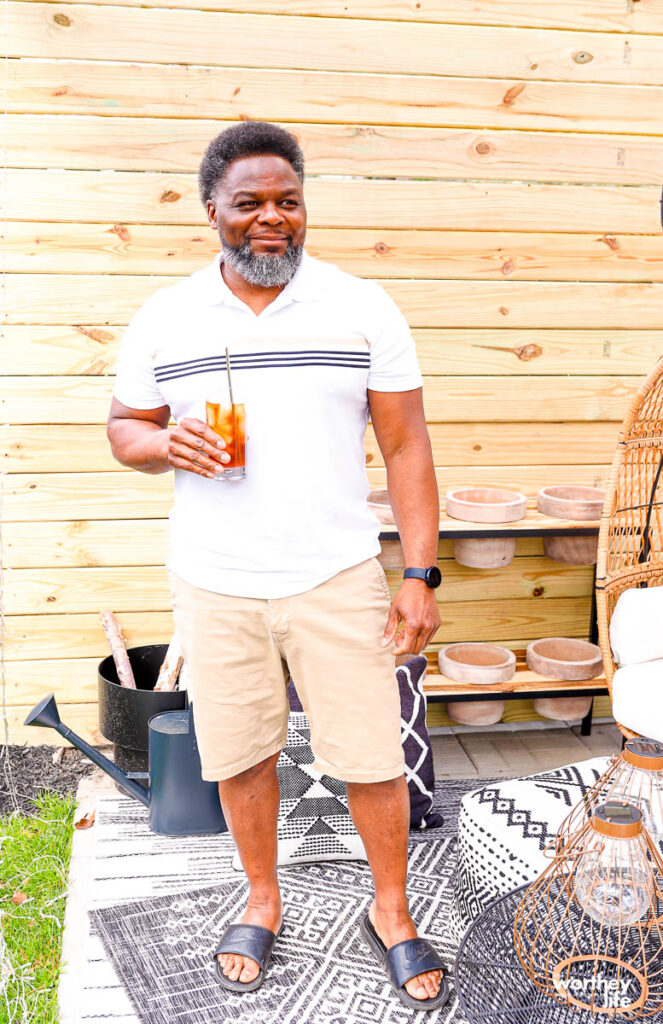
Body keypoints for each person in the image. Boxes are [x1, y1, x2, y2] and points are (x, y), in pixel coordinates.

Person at [107, 121, 447, 1010]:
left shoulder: (360, 306)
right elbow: (123, 428)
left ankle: (392, 910)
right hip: (215, 577)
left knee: (372, 757)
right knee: (241, 753)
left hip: (335, 572)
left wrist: (419, 575)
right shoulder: (167, 316)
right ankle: (262, 897)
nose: (271, 220)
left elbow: (406, 448)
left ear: (304, 208)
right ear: (210, 208)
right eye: (249, 203)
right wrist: (161, 443)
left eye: (287, 202)